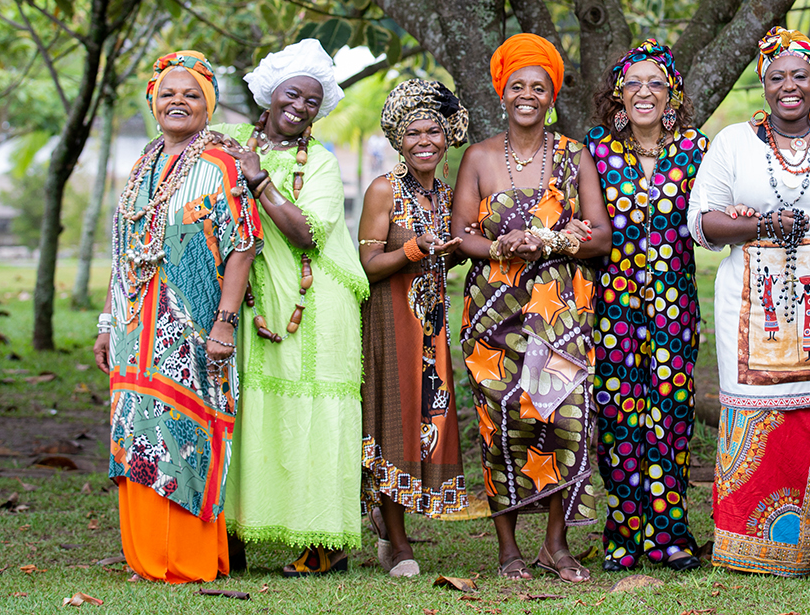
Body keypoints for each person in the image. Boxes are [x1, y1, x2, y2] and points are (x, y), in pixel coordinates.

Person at [687, 26, 810, 578]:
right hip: (751, 306)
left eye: (799, 75)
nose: (788, 86)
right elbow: (702, 222)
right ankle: (744, 547)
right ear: (763, 86)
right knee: (754, 413)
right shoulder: (732, 143)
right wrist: (762, 224)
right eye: (776, 77)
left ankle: (801, 553)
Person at [95, 51, 260, 583]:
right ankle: (145, 557)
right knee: (136, 431)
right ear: (153, 101)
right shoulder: (143, 161)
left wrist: (225, 322)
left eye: (191, 94)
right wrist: (107, 320)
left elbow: (244, 246)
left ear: (208, 105)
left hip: (191, 327)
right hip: (132, 326)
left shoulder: (220, 164)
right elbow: (123, 249)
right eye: (168, 93)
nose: (178, 102)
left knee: (183, 431)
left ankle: (185, 557)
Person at [452, 32, 611, 583]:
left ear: (551, 95)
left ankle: (555, 545)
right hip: (493, 314)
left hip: (559, 313)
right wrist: (500, 246)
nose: (527, 94)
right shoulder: (478, 156)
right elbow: (460, 238)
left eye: (537, 87)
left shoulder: (573, 156)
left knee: (564, 421)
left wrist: (546, 241)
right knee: (500, 426)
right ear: (503, 92)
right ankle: (507, 549)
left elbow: (599, 239)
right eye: (517, 85)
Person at [218, 39, 368, 576]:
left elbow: (308, 233)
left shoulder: (321, 165)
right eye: (293, 94)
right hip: (247, 299)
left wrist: (258, 179)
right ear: (269, 92)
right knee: (248, 414)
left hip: (315, 305)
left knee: (313, 415)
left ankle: (326, 544)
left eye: (312, 101)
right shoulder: (229, 142)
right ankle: (229, 535)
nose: (301, 107)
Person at [584, 40, 709, 573]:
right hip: (612, 305)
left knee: (672, 417)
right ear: (618, 94)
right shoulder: (594, 149)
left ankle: (670, 535)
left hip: (675, 306)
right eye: (633, 83)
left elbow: (716, 211)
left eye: (656, 83)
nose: (644, 92)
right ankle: (622, 535)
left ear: (672, 95)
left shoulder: (698, 150)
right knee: (618, 418)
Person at [357, 79, 472, 577]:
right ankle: (397, 541)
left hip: (431, 325)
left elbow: (445, 255)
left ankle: (390, 524)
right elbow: (366, 265)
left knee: (428, 421)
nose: (425, 140)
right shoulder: (383, 190)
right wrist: (413, 250)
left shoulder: (448, 194)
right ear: (399, 141)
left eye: (434, 131)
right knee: (394, 420)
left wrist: (448, 254)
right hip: (389, 322)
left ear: (447, 139)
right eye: (414, 133)